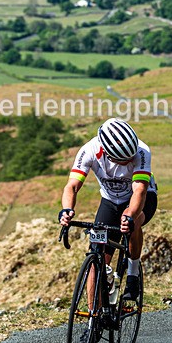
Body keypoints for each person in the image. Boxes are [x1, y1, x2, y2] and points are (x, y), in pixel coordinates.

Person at [59, 117, 157, 302]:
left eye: (130, 158)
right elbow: (71, 186)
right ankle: (93, 319)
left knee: (133, 222)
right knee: (96, 259)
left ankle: (133, 275)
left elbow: (139, 191)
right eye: (123, 160)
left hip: (141, 198)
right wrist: (67, 210)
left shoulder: (142, 151)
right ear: (107, 153)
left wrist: (129, 215)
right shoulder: (89, 150)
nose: (129, 161)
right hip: (110, 201)